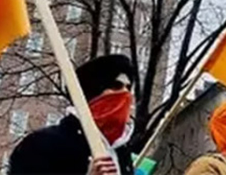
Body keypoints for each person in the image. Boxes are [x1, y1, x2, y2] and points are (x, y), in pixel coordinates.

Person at [9, 54, 137, 175]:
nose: (125, 94)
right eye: (116, 86)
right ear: (94, 92)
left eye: (128, 87)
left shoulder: (121, 152)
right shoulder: (42, 144)